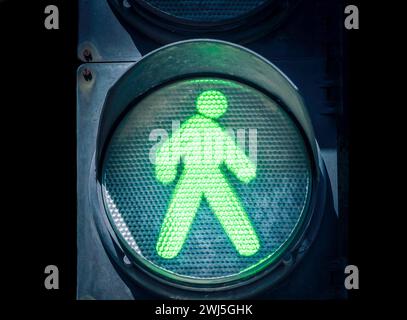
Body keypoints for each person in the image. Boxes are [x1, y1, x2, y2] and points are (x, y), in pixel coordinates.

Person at [155, 90, 259, 259]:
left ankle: (167, 249)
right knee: (228, 209)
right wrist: (243, 169)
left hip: (196, 175)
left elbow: (170, 148)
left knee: (182, 211)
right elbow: (229, 151)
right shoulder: (204, 127)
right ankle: (248, 246)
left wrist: (165, 169)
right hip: (208, 175)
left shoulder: (194, 126)